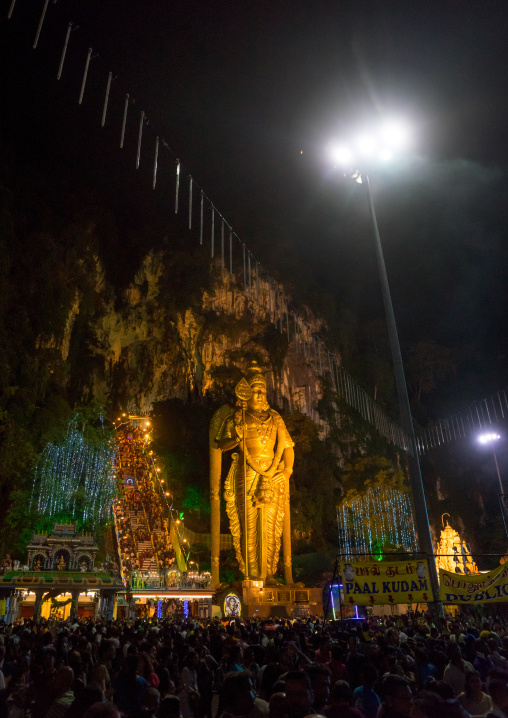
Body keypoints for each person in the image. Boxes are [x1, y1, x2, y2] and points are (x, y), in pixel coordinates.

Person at [215, 361, 294, 582]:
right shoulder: (238, 417)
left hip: (272, 474)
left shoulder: (276, 418)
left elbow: (288, 447)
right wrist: (236, 438)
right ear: (246, 394)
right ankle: (251, 573)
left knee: (271, 525)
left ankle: (268, 574)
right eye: (255, 391)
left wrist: (286, 470)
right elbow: (221, 445)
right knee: (247, 524)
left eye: (262, 391)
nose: (259, 395)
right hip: (246, 472)